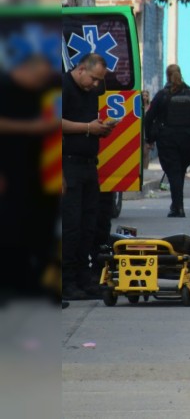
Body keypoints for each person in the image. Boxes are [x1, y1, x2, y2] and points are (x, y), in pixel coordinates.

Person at [0, 54, 61, 302]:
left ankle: (29, 283)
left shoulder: (39, 93)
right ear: (26, 70)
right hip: (9, 173)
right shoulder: (5, 89)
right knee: (9, 229)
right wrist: (34, 128)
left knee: (35, 230)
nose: (42, 83)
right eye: (40, 78)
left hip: (36, 176)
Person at [61, 53, 114, 300]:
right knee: (71, 227)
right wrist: (89, 128)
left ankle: (85, 278)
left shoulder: (91, 92)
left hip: (89, 166)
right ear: (81, 69)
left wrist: (100, 128)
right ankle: (66, 281)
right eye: (93, 79)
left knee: (89, 225)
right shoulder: (63, 86)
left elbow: (88, 123)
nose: (95, 85)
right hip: (67, 165)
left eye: (99, 81)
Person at [144, 64, 190, 217]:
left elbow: (148, 118)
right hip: (186, 139)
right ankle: (177, 205)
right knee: (179, 172)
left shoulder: (162, 96)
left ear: (167, 76)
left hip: (167, 140)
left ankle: (178, 206)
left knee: (174, 173)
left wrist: (150, 138)